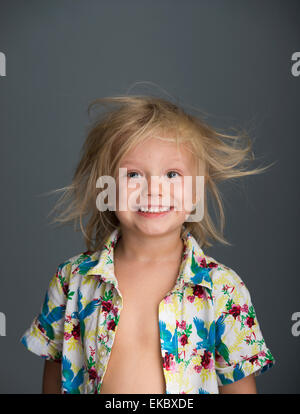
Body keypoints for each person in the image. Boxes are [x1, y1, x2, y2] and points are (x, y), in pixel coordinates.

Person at [20, 95, 275, 394]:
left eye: (172, 174)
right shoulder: (71, 280)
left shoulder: (223, 289)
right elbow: (55, 376)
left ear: (196, 190)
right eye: (133, 175)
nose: (154, 189)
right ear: (107, 188)